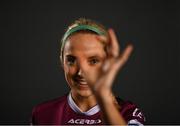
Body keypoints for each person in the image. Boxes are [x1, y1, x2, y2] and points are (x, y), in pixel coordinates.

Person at [31, 18, 146, 125]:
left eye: (93, 61)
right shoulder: (42, 114)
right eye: (71, 60)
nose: (81, 72)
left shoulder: (128, 113)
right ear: (62, 61)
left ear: (107, 63)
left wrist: (103, 96)